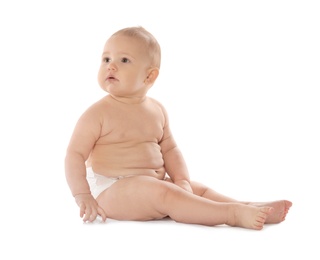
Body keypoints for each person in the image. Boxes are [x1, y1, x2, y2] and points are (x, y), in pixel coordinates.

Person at [65, 26, 292, 230]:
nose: (111, 65)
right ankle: (231, 215)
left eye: (124, 60)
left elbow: (170, 149)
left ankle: (246, 205)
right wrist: (83, 195)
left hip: (151, 185)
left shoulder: (157, 110)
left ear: (149, 76)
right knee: (166, 193)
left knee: (196, 189)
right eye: (106, 59)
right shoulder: (97, 113)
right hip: (110, 190)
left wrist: (182, 179)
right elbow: (75, 154)